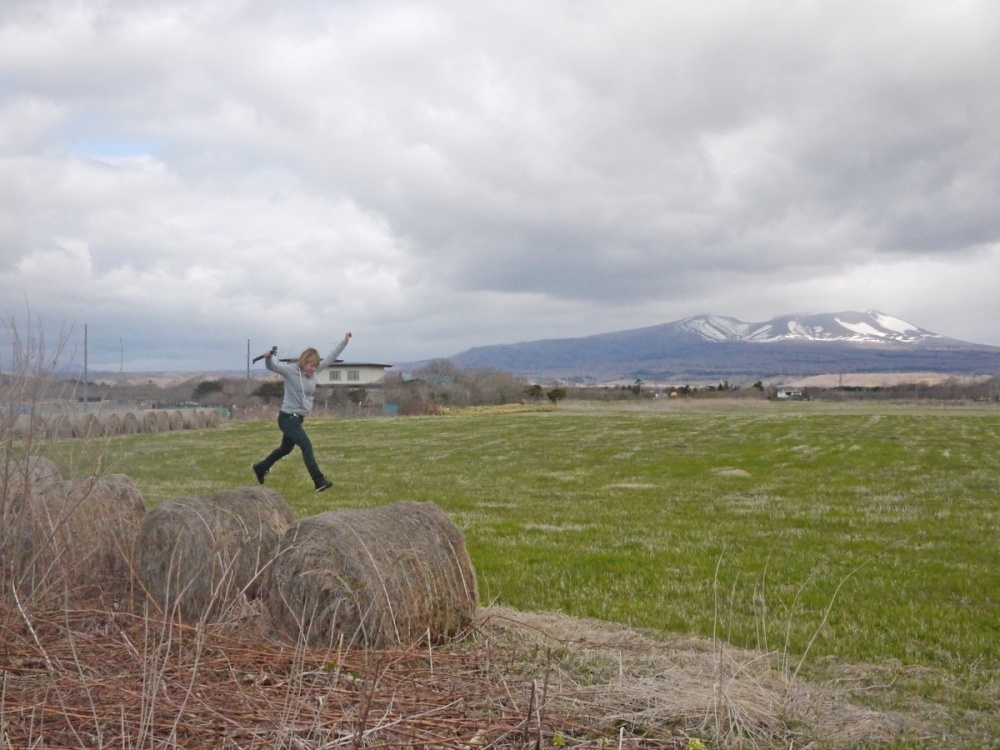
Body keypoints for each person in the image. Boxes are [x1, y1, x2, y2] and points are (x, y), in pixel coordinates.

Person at [252, 332, 352, 492]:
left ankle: (261, 467)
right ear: (304, 362)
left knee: (285, 449)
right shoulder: (291, 371)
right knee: (306, 444)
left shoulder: (313, 372)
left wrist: (344, 342)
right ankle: (318, 481)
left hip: (298, 419)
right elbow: (273, 366)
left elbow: (331, 358)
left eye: (315, 366)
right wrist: (268, 357)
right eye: (311, 366)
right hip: (287, 418)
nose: (313, 369)